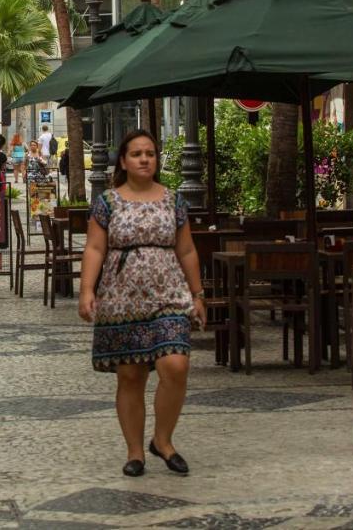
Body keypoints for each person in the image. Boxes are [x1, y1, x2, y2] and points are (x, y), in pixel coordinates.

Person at [78, 129, 206, 478]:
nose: (145, 159)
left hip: (169, 294)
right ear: (123, 161)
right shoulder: (107, 202)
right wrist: (87, 290)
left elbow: (187, 249)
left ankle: (162, 441)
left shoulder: (174, 200)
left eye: (150, 153)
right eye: (136, 154)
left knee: (176, 366)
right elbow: (94, 248)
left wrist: (198, 294)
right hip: (122, 298)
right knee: (131, 375)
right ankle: (135, 451)